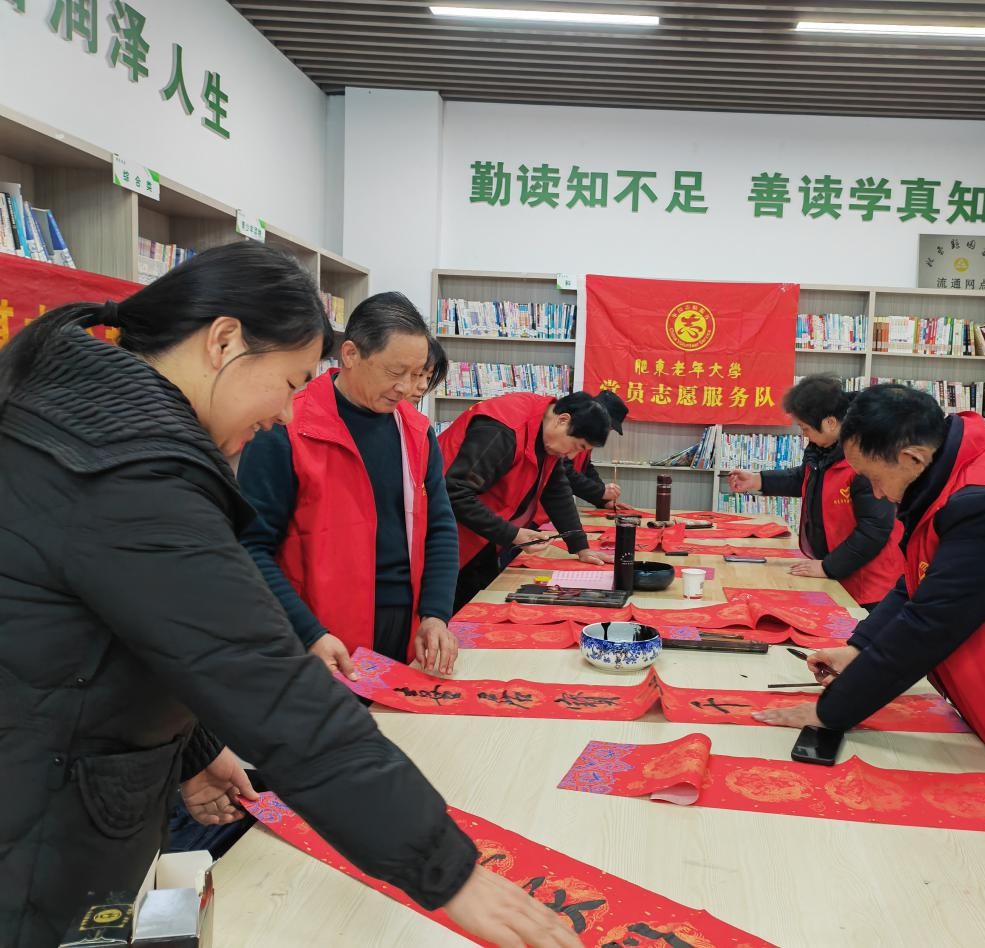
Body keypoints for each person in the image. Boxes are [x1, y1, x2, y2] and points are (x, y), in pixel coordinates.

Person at [0, 242, 579, 948]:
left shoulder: (99, 428)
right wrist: (449, 871)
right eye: (290, 381)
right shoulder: (131, 470)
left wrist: (192, 745)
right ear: (223, 342)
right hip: (35, 827)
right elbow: (263, 679)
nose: (285, 412)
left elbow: (129, 629)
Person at [754, 383, 985, 831]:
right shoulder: (960, 466)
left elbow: (927, 626)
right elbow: (919, 577)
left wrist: (829, 712)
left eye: (875, 479)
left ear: (911, 458)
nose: (877, 495)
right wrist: (858, 648)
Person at [237, 292, 459, 678]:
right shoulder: (287, 426)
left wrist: (436, 614)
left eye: (417, 374)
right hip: (316, 633)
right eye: (395, 372)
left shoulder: (416, 431)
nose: (407, 387)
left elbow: (440, 527)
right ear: (351, 354)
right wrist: (309, 631)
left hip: (405, 625)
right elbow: (250, 546)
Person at [727, 374, 902, 609]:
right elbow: (805, 479)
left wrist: (828, 566)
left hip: (868, 584)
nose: (804, 434)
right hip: (837, 572)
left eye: (805, 428)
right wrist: (758, 481)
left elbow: (875, 529)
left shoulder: (863, 462)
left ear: (830, 422)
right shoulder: (823, 450)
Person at [440, 391, 613, 610]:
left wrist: (581, 547)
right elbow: (455, 492)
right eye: (577, 446)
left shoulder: (546, 434)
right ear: (563, 420)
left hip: (482, 532)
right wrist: (512, 534)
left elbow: (556, 491)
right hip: (444, 532)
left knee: (484, 603)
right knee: (452, 610)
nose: (571, 456)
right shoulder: (503, 429)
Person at [563, 389, 627, 509]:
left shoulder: (589, 435)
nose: (606, 432)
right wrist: (600, 492)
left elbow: (586, 468)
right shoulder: (569, 430)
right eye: (608, 427)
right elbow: (564, 472)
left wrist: (604, 500)